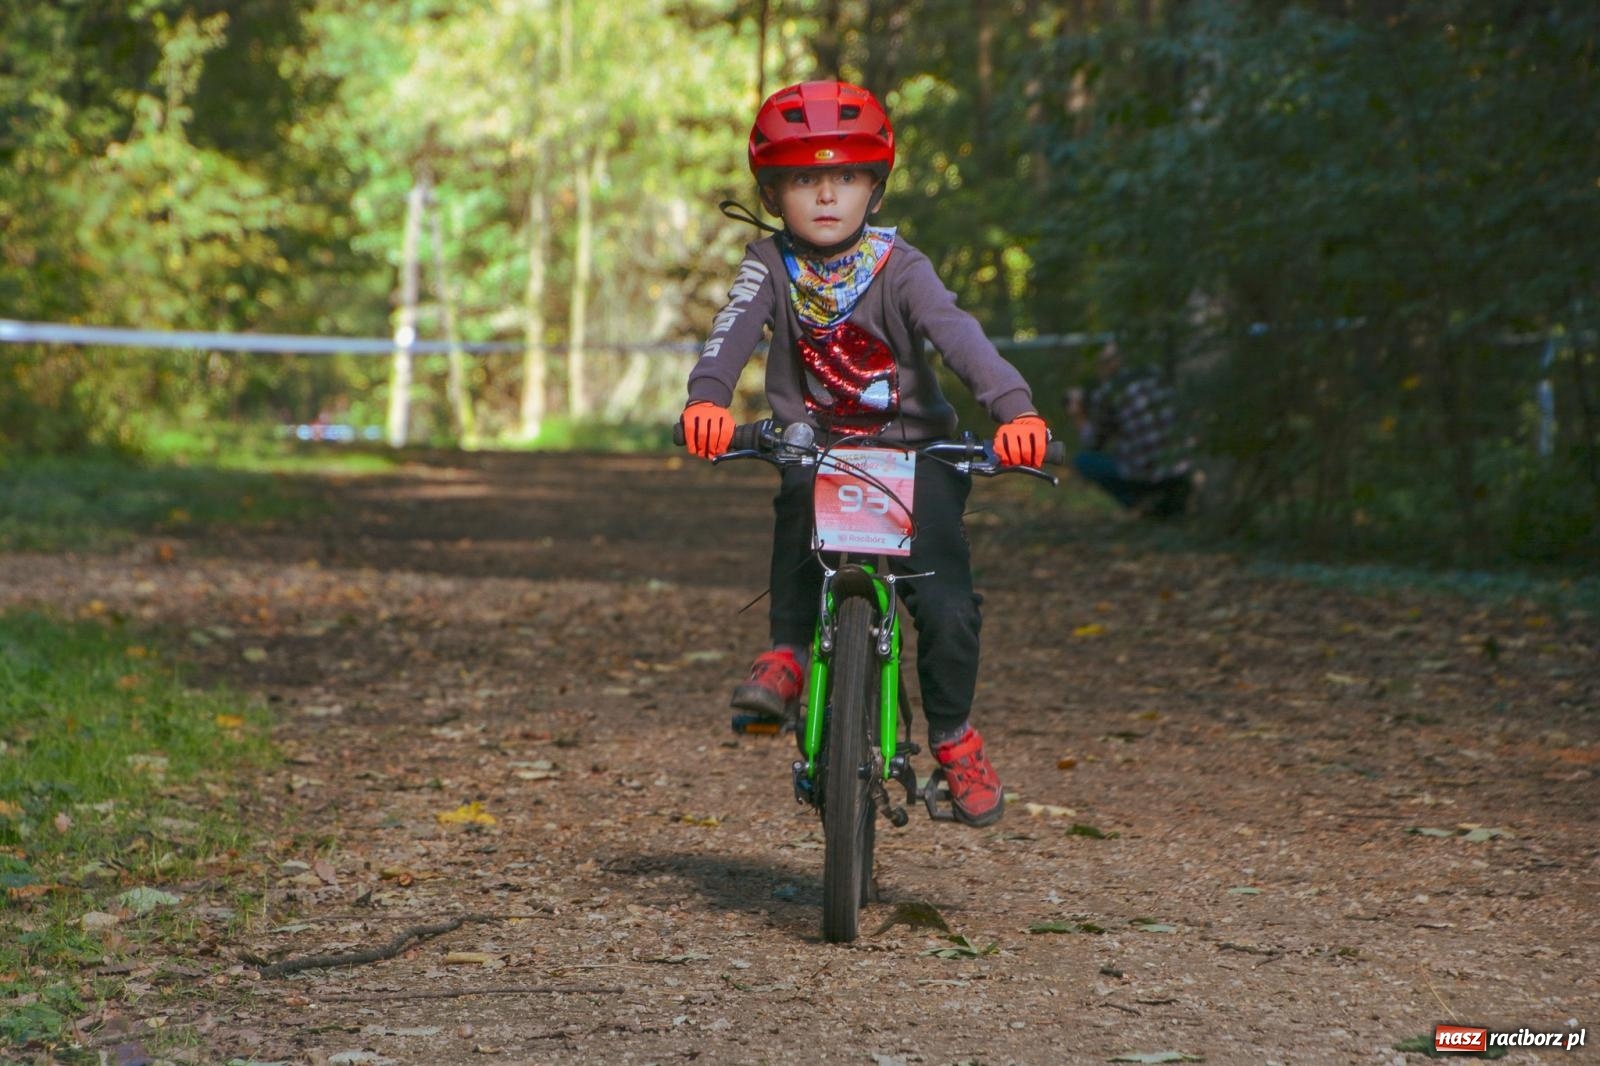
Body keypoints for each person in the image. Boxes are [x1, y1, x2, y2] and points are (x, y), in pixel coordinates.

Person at [679, 80, 1050, 828]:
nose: (825, 195)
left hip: (919, 451)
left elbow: (958, 335)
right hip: (817, 448)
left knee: (947, 609)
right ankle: (786, 652)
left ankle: (952, 736)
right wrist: (707, 399)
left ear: (874, 190)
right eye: (804, 178)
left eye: (845, 176)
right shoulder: (768, 265)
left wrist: (1014, 409)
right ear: (773, 190)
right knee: (797, 487)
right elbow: (731, 331)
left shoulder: (899, 266)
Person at [1067, 341, 1193, 518]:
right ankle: (1168, 501)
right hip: (1182, 468)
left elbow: (1093, 442)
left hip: (1146, 475)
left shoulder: (1109, 393)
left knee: (1084, 461)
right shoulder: (1157, 376)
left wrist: (1078, 415)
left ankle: (1139, 505)